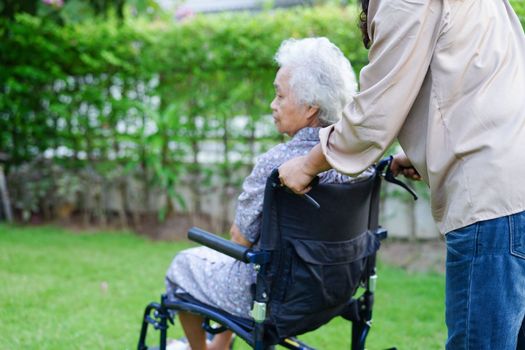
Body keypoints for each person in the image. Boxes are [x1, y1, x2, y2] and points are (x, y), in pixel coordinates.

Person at [278, 0, 525, 349]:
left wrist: (308, 164)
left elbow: (377, 109)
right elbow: (480, 75)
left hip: (494, 200)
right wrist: (428, 149)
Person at [164, 37, 369, 350]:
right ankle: (219, 345)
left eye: (280, 95)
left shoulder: (278, 163)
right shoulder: (358, 163)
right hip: (336, 292)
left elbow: (241, 240)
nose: (273, 105)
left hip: (273, 300)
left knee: (183, 265)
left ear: (310, 107)